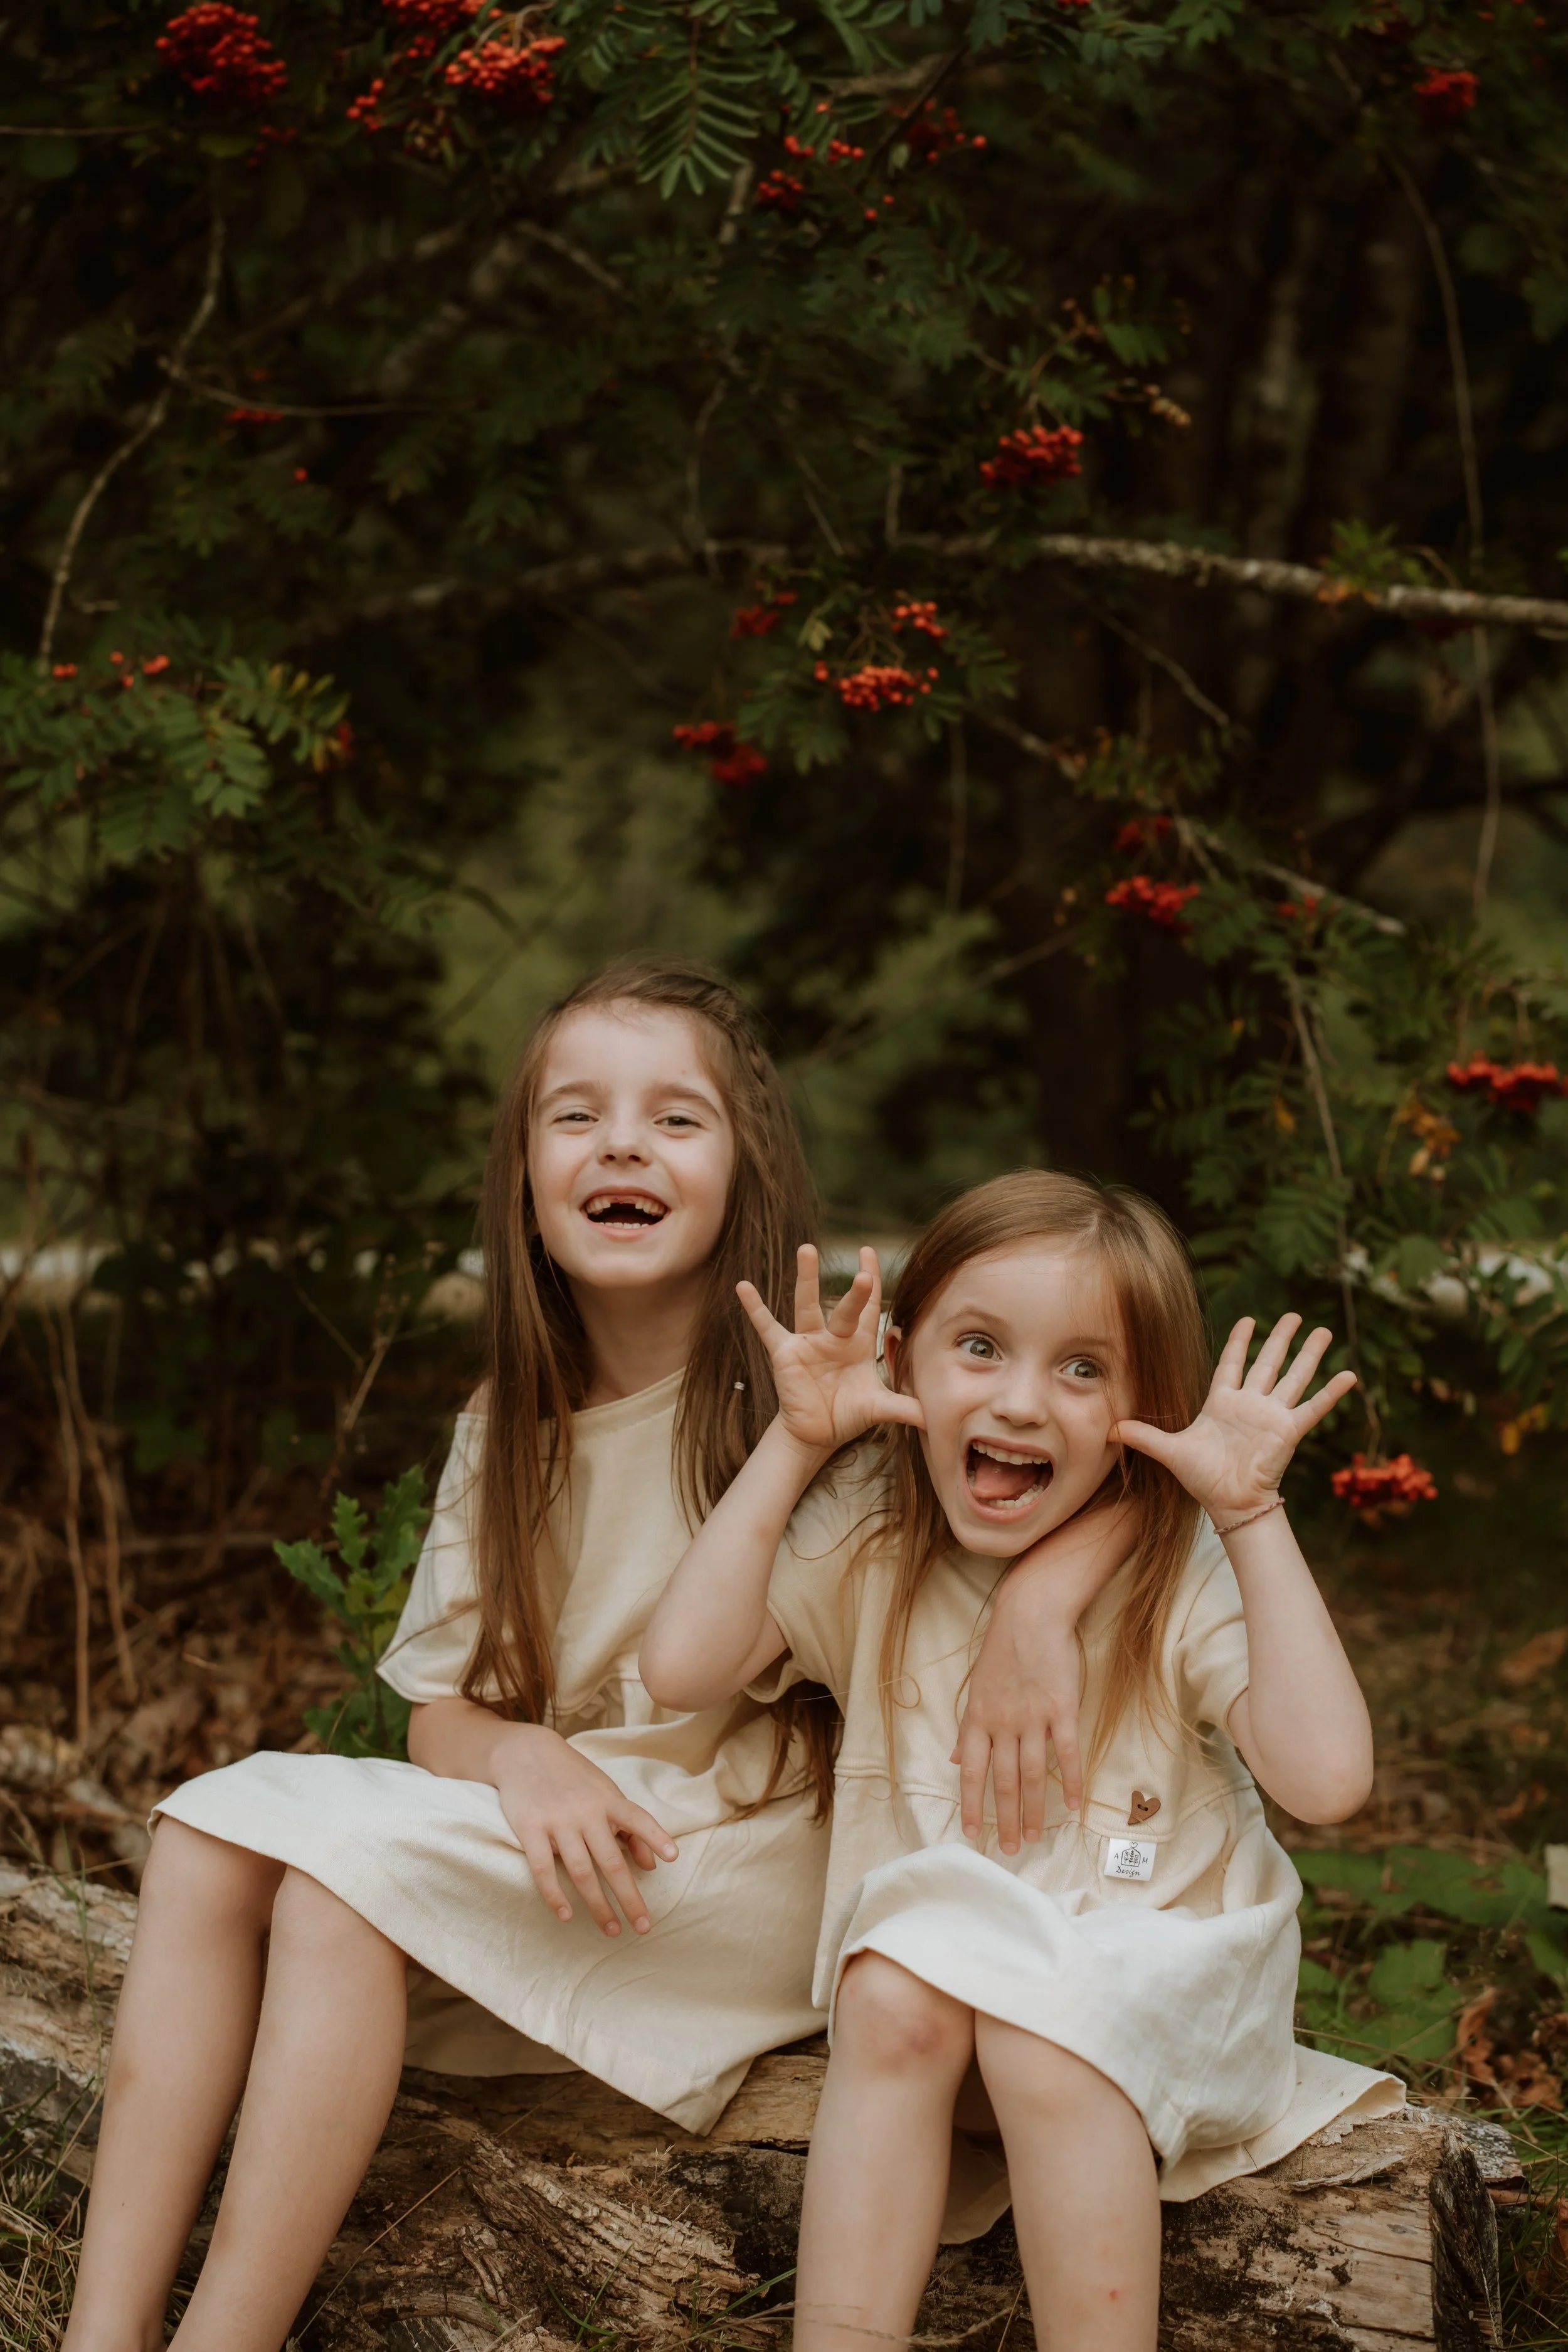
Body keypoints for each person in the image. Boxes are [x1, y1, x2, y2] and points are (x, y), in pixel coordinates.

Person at [63, 964, 1117, 2352]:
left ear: (746, 1173)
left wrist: (1040, 1610)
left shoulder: (824, 1390)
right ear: (524, 1178)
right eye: (577, 1115)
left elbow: (1105, 1469)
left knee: (325, 1880)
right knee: (223, 1847)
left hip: (754, 1859)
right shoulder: (511, 1425)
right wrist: (525, 1758)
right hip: (583, 1844)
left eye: (674, 1119)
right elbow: (447, 1712)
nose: (619, 1143)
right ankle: (106, 2333)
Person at [640, 1170, 1403, 2352]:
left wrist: (1251, 1517)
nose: (1023, 1400)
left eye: (1084, 1368)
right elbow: (682, 1668)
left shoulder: (1174, 1569)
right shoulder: (873, 1540)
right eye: (981, 1346)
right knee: (889, 1983)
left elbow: (1328, 1779)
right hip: (944, 2006)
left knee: (1048, 2028)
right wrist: (797, 1443)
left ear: (1147, 1406)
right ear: (903, 1360)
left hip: (1156, 1981)